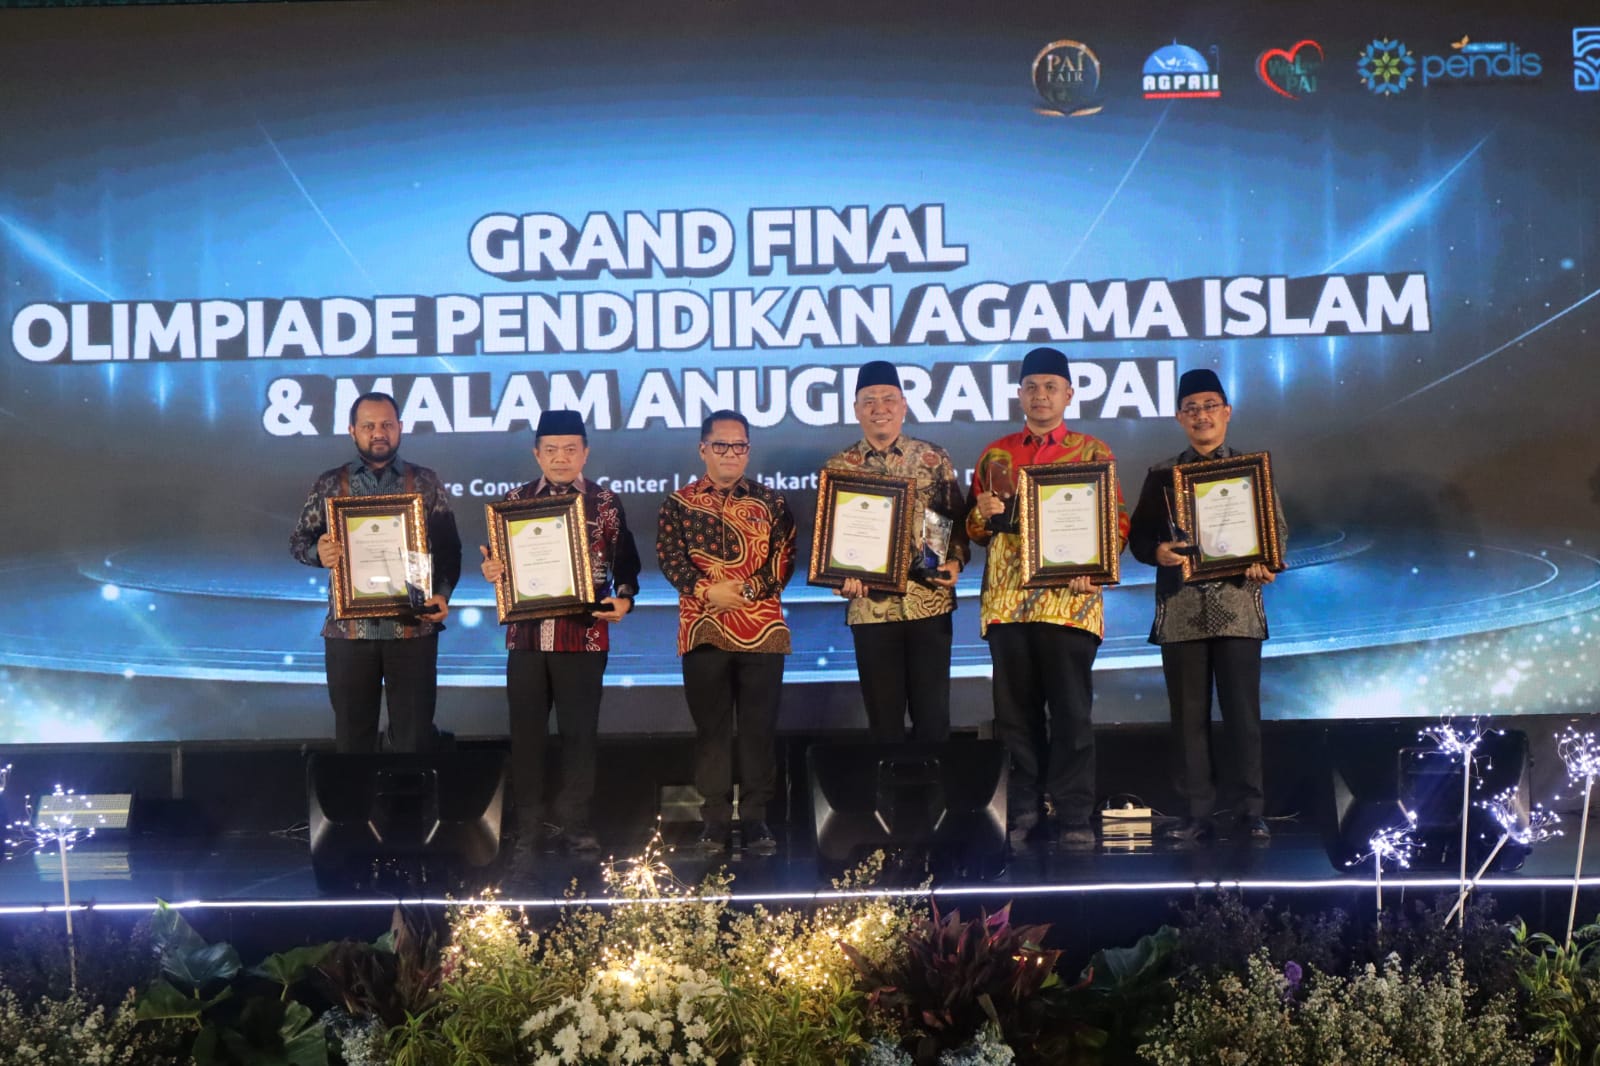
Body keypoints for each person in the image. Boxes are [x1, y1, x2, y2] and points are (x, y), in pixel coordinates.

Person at [967, 347, 1128, 849]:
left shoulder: (1092, 452)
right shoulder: (995, 455)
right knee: (1015, 716)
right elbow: (974, 529)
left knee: (1072, 712)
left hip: (1069, 602)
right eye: (1032, 387)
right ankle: (1024, 809)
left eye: (1051, 387)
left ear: (1069, 394)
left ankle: (1075, 813)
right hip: (1007, 603)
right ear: (1020, 394)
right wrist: (981, 513)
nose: (1041, 396)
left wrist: (1096, 568)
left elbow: (1117, 521)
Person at [1128, 368, 1286, 842]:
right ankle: (1197, 813)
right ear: (1179, 417)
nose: (1201, 415)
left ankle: (1250, 811)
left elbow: (1275, 529)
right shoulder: (1161, 475)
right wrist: (1157, 552)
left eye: (1210, 406)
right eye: (1191, 408)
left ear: (1227, 412)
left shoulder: (1249, 470)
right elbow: (1139, 538)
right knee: (1188, 719)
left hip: (1238, 606)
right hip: (1181, 611)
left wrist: (1266, 561)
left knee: (1243, 716)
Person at [479, 410, 641, 856]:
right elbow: (499, 563)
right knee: (526, 735)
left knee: (579, 734)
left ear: (585, 453)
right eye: (551, 450)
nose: (561, 458)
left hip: (583, 637)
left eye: (571, 449)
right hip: (527, 639)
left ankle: (575, 823)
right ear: (537, 454)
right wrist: (492, 570)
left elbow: (627, 562)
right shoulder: (513, 503)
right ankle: (529, 825)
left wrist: (625, 598)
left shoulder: (604, 503)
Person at [656, 410, 796, 855]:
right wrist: (706, 591)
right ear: (703, 449)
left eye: (739, 446)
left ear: (748, 451)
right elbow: (670, 559)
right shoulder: (678, 503)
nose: (731, 453)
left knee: (758, 729)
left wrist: (748, 591)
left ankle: (755, 819)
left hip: (763, 630)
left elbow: (784, 558)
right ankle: (714, 821)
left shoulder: (772, 502)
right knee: (711, 730)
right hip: (703, 630)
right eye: (721, 445)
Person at [290, 391, 462, 753]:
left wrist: (442, 594)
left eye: (386, 424)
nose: (378, 432)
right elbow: (299, 542)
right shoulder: (330, 484)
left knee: (413, 742)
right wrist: (319, 553)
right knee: (353, 742)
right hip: (349, 632)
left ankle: (407, 795)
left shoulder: (425, 482)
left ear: (400, 427)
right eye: (368, 426)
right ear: (352, 430)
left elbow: (449, 549)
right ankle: (358, 795)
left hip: (413, 628)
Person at [824, 360, 969, 741]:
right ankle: (886, 785)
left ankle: (935, 784)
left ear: (903, 406)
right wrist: (840, 577)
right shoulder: (839, 466)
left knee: (933, 721)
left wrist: (955, 560)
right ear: (856, 409)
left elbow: (952, 519)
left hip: (929, 603)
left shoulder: (933, 458)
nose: (880, 408)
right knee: (884, 724)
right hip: (870, 608)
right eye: (869, 400)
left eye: (888, 399)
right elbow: (831, 540)